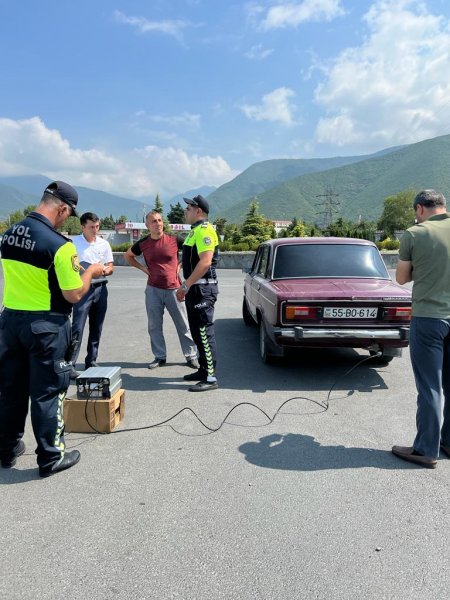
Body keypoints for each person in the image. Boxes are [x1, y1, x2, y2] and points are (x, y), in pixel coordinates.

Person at [0, 181, 104, 477]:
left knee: (11, 390)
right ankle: (50, 457)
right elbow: (73, 294)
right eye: (68, 215)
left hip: (9, 322)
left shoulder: (9, 234)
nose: (66, 220)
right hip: (46, 326)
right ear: (61, 208)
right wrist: (92, 271)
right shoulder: (59, 245)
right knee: (48, 392)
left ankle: (6, 448)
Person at [392, 189, 450, 469]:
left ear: (419, 209)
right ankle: (447, 441)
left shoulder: (415, 234)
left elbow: (401, 278)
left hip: (429, 318)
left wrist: (423, 267)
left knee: (430, 386)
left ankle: (426, 449)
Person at [124, 210, 199, 370]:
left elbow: (192, 251)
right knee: (154, 326)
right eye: (153, 221)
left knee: (183, 324)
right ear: (147, 225)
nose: (158, 224)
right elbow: (128, 255)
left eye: (159, 220)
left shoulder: (174, 239)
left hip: (174, 289)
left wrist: (179, 266)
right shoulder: (143, 243)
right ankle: (159, 356)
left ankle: (191, 356)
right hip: (153, 290)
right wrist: (143, 269)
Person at [176, 195, 219, 392]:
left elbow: (205, 262)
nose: (186, 211)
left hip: (203, 289)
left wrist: (185, 285)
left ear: (198, 211)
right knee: (196, 331)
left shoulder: (205, 230)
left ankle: (211, 377)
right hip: (195, 289)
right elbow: (191, 259)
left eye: (188, 208)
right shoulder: (194, 232)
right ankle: (203, 369)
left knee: (203, 331)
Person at [70, 212, 114, 378]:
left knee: (97, 326)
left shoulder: (104, 244)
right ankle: (70, 363)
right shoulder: (73, 243)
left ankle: (91, 360)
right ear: (82, 227)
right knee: (77, 327)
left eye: (97, 226)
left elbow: (111, 265)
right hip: (83, 289)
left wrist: (107, 270)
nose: (95, 230)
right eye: (91, 227)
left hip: (101, 288)